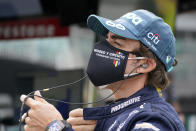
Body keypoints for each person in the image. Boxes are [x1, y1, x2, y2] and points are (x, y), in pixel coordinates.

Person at [20, 9, 185, 131]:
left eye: (116, 44)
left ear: (144, 64)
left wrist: (54, 126)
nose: (103, 49)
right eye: (106, 40)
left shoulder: (153, 118)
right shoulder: (116, 117)